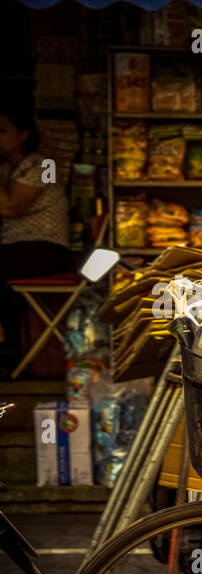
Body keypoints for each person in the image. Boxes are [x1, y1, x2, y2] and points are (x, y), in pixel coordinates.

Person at [0, 105, 76, 374]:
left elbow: (11, 207)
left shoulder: (46, 165)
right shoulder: (7, 170)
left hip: (44, 250)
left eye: (2, 131)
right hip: (17, 250)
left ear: (23, 134)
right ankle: (11, 348)